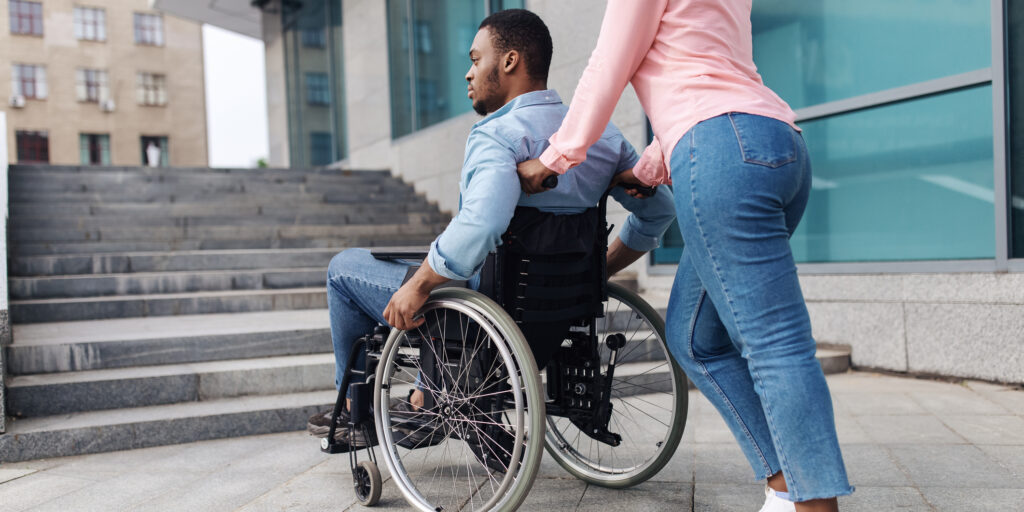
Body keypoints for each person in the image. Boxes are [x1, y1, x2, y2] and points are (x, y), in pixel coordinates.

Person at [515, 2, 852, 511]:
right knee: (695, 338)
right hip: (778, 143)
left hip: (723, 154)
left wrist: (555, 156)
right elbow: (708, 70)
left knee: (774, 345)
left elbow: (611, 62)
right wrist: (649, 168)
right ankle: (787, 488)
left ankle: (814, 506)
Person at [306, 9, 676, 450]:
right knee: (440, 267)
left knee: (345, 268)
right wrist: (597, 272)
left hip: (489, 306)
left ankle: (355, 411)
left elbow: (482, 226)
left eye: (475, 58)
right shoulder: (602, 137)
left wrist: (421, 283)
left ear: (509, 61)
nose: (468, 73)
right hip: (548, 312)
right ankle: (427, 392)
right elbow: (659, 211)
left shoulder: (498, 134)